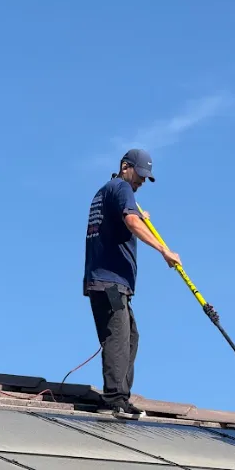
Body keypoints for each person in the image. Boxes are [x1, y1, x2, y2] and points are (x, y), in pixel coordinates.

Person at [83, 149, 182, 418]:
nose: (141, 181)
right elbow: (130, 221)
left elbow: (125, 217)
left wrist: (138, 215)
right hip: (110, 282)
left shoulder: (108, 190)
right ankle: (115, 398)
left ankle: (120, 395)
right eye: (139, 174)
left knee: (130, 336)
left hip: (106, 282)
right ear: (125, 167)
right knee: (119, 335)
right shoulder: (122, 188)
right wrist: (163, 250)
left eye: (146, 177)